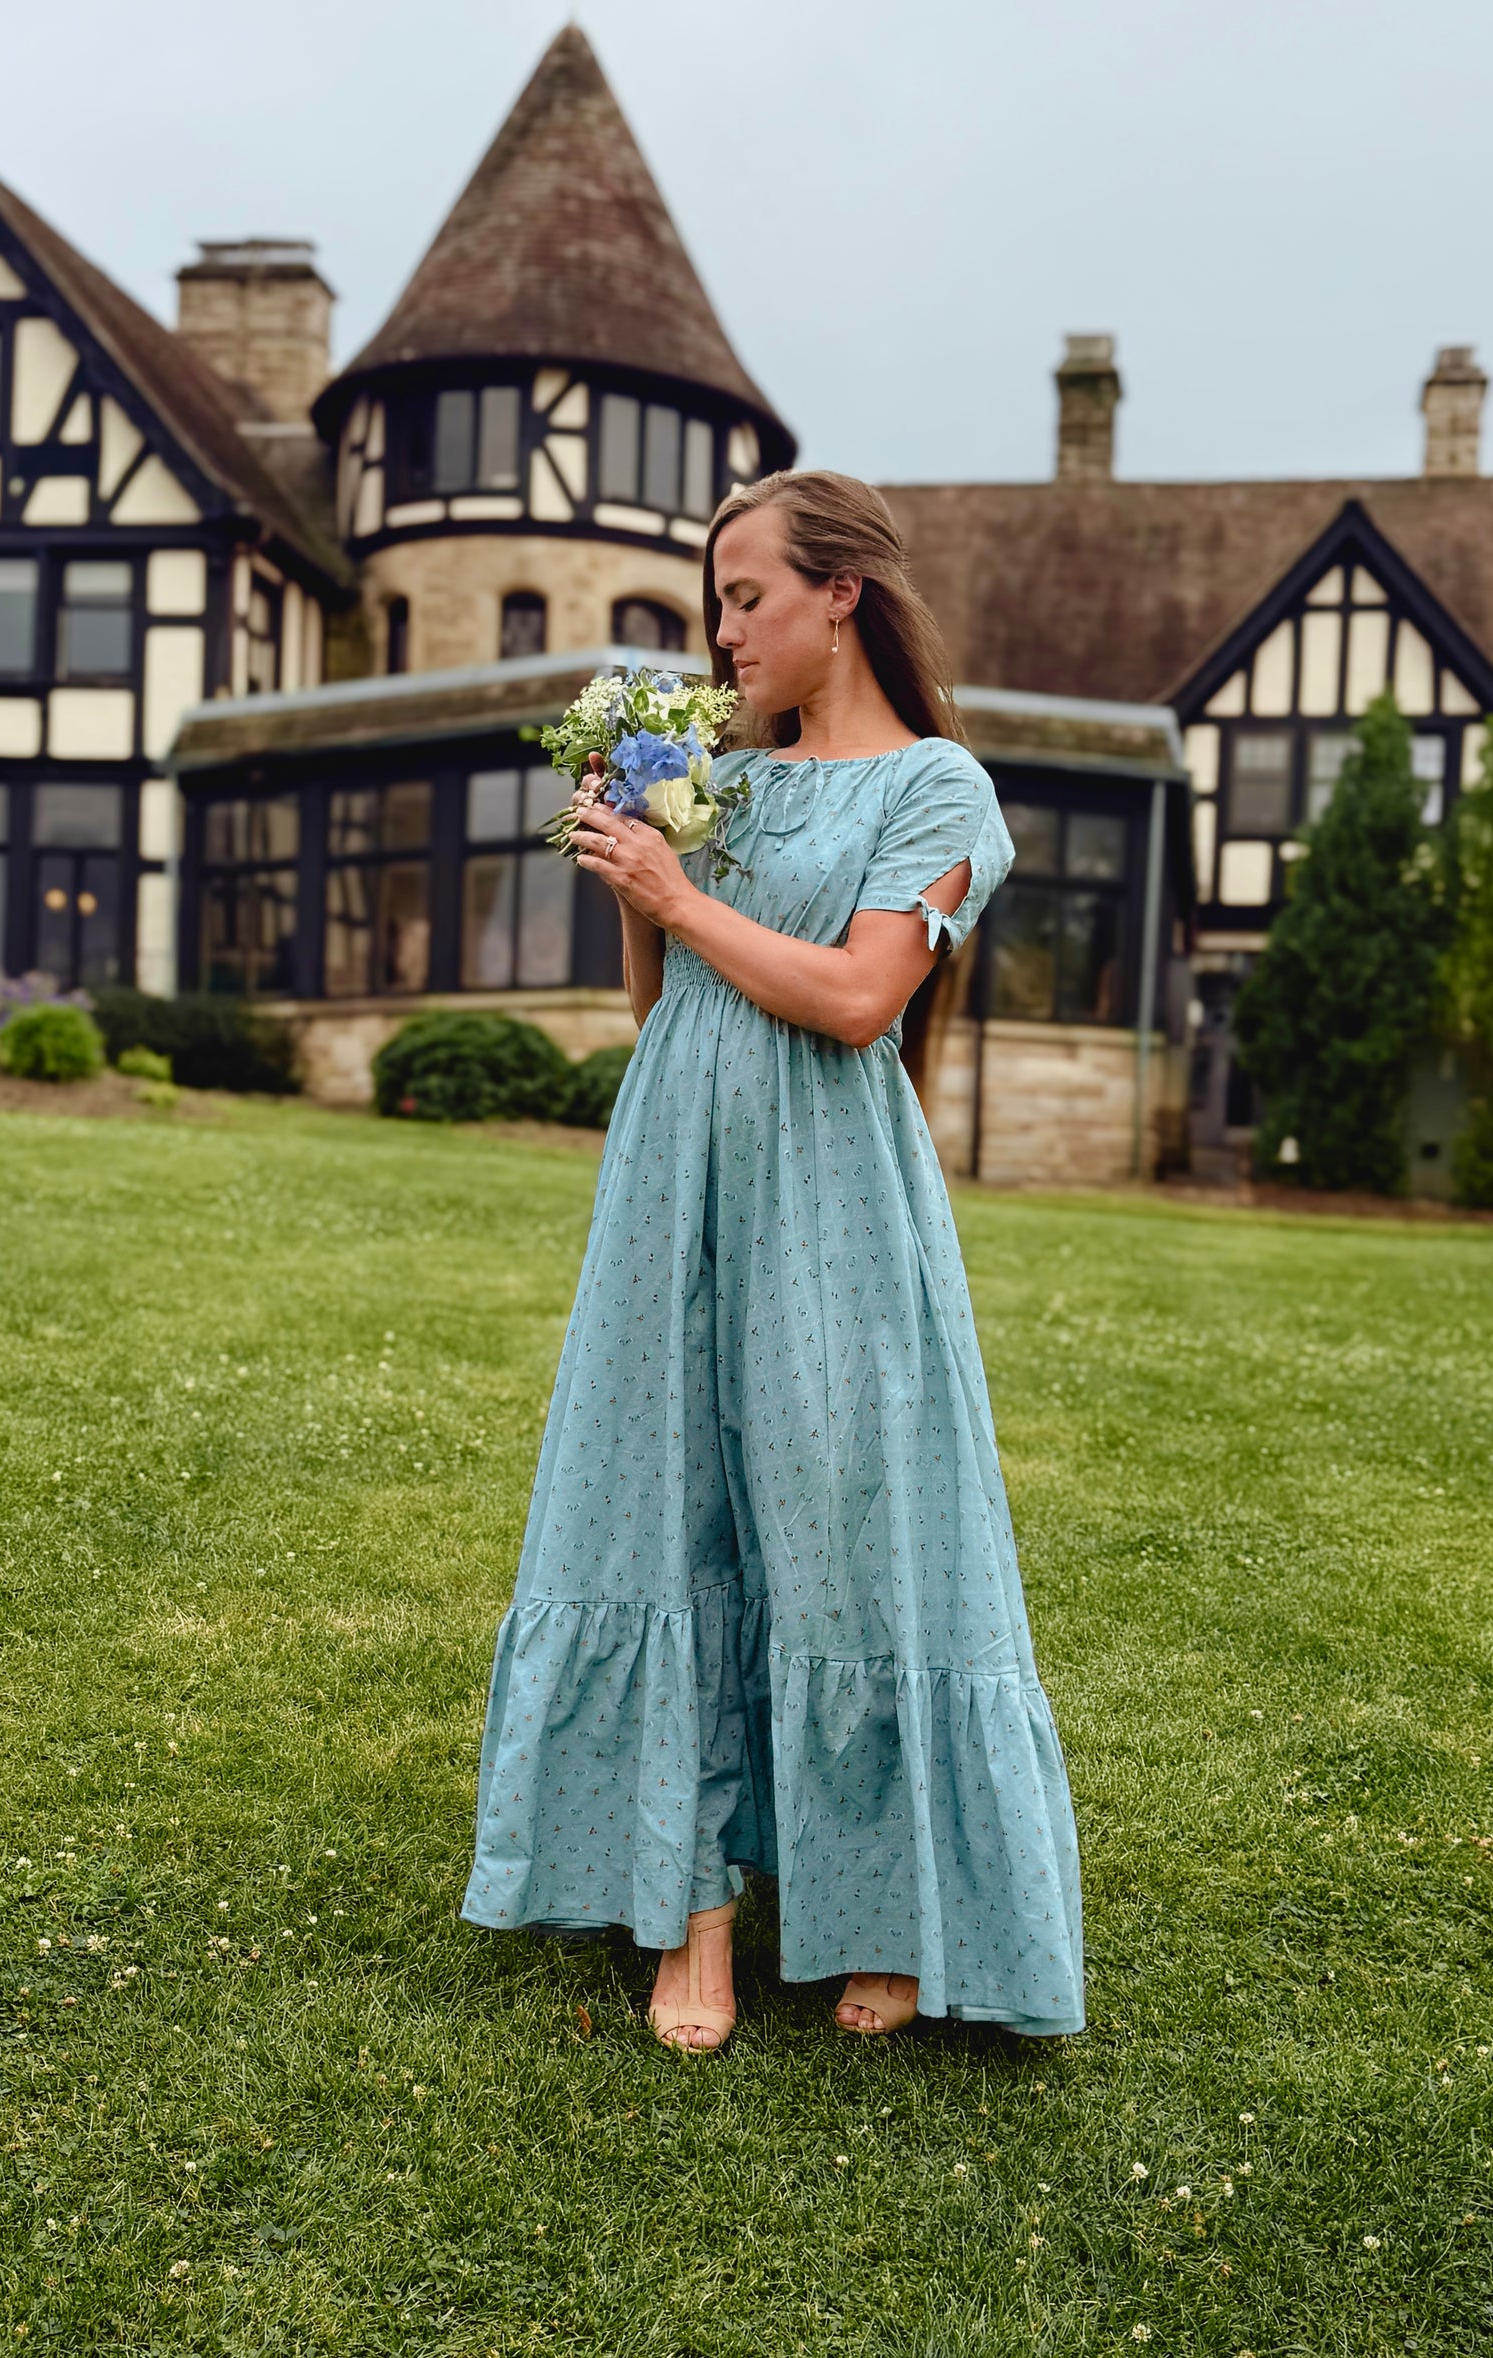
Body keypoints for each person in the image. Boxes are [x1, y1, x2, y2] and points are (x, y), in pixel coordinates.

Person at [461, 471, 1084, 2050]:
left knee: (849, 1518)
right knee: (661, 1501)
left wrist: (676, 889)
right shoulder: (718, 782)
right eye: (717, 601)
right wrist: (634, 866)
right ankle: (691, 1908)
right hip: (673, 1171)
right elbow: (662, 1010)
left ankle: (885, 1899)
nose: (723, 631)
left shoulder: (938, 789)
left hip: (831, 1192)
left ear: (840, 595)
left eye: (747, 596)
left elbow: (862, 999)